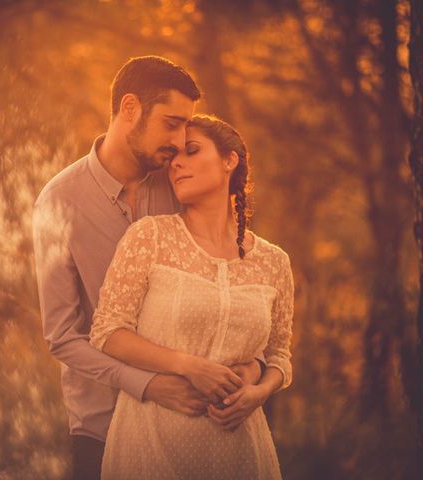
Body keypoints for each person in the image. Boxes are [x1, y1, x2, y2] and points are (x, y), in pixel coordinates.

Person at [32, 56, 264, 480]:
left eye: (186, 127)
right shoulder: (58, 202)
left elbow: (234, 285)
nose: (180, 141)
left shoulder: (182, 185)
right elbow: (64, 337)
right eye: (172, 123)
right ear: (130, 108)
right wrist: (149, 384)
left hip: (196, 424)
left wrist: (250, 373)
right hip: (100, 427)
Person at [89, 114, 294, 479]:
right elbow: (107, 332)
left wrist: (259, 392)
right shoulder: (149, 237)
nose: (177, 163)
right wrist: (189, 366)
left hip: (241, 450)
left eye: (192, 151)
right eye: (172, 158)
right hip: (151, 445)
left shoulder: (274, 262)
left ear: (229, 160)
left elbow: (279, 355)